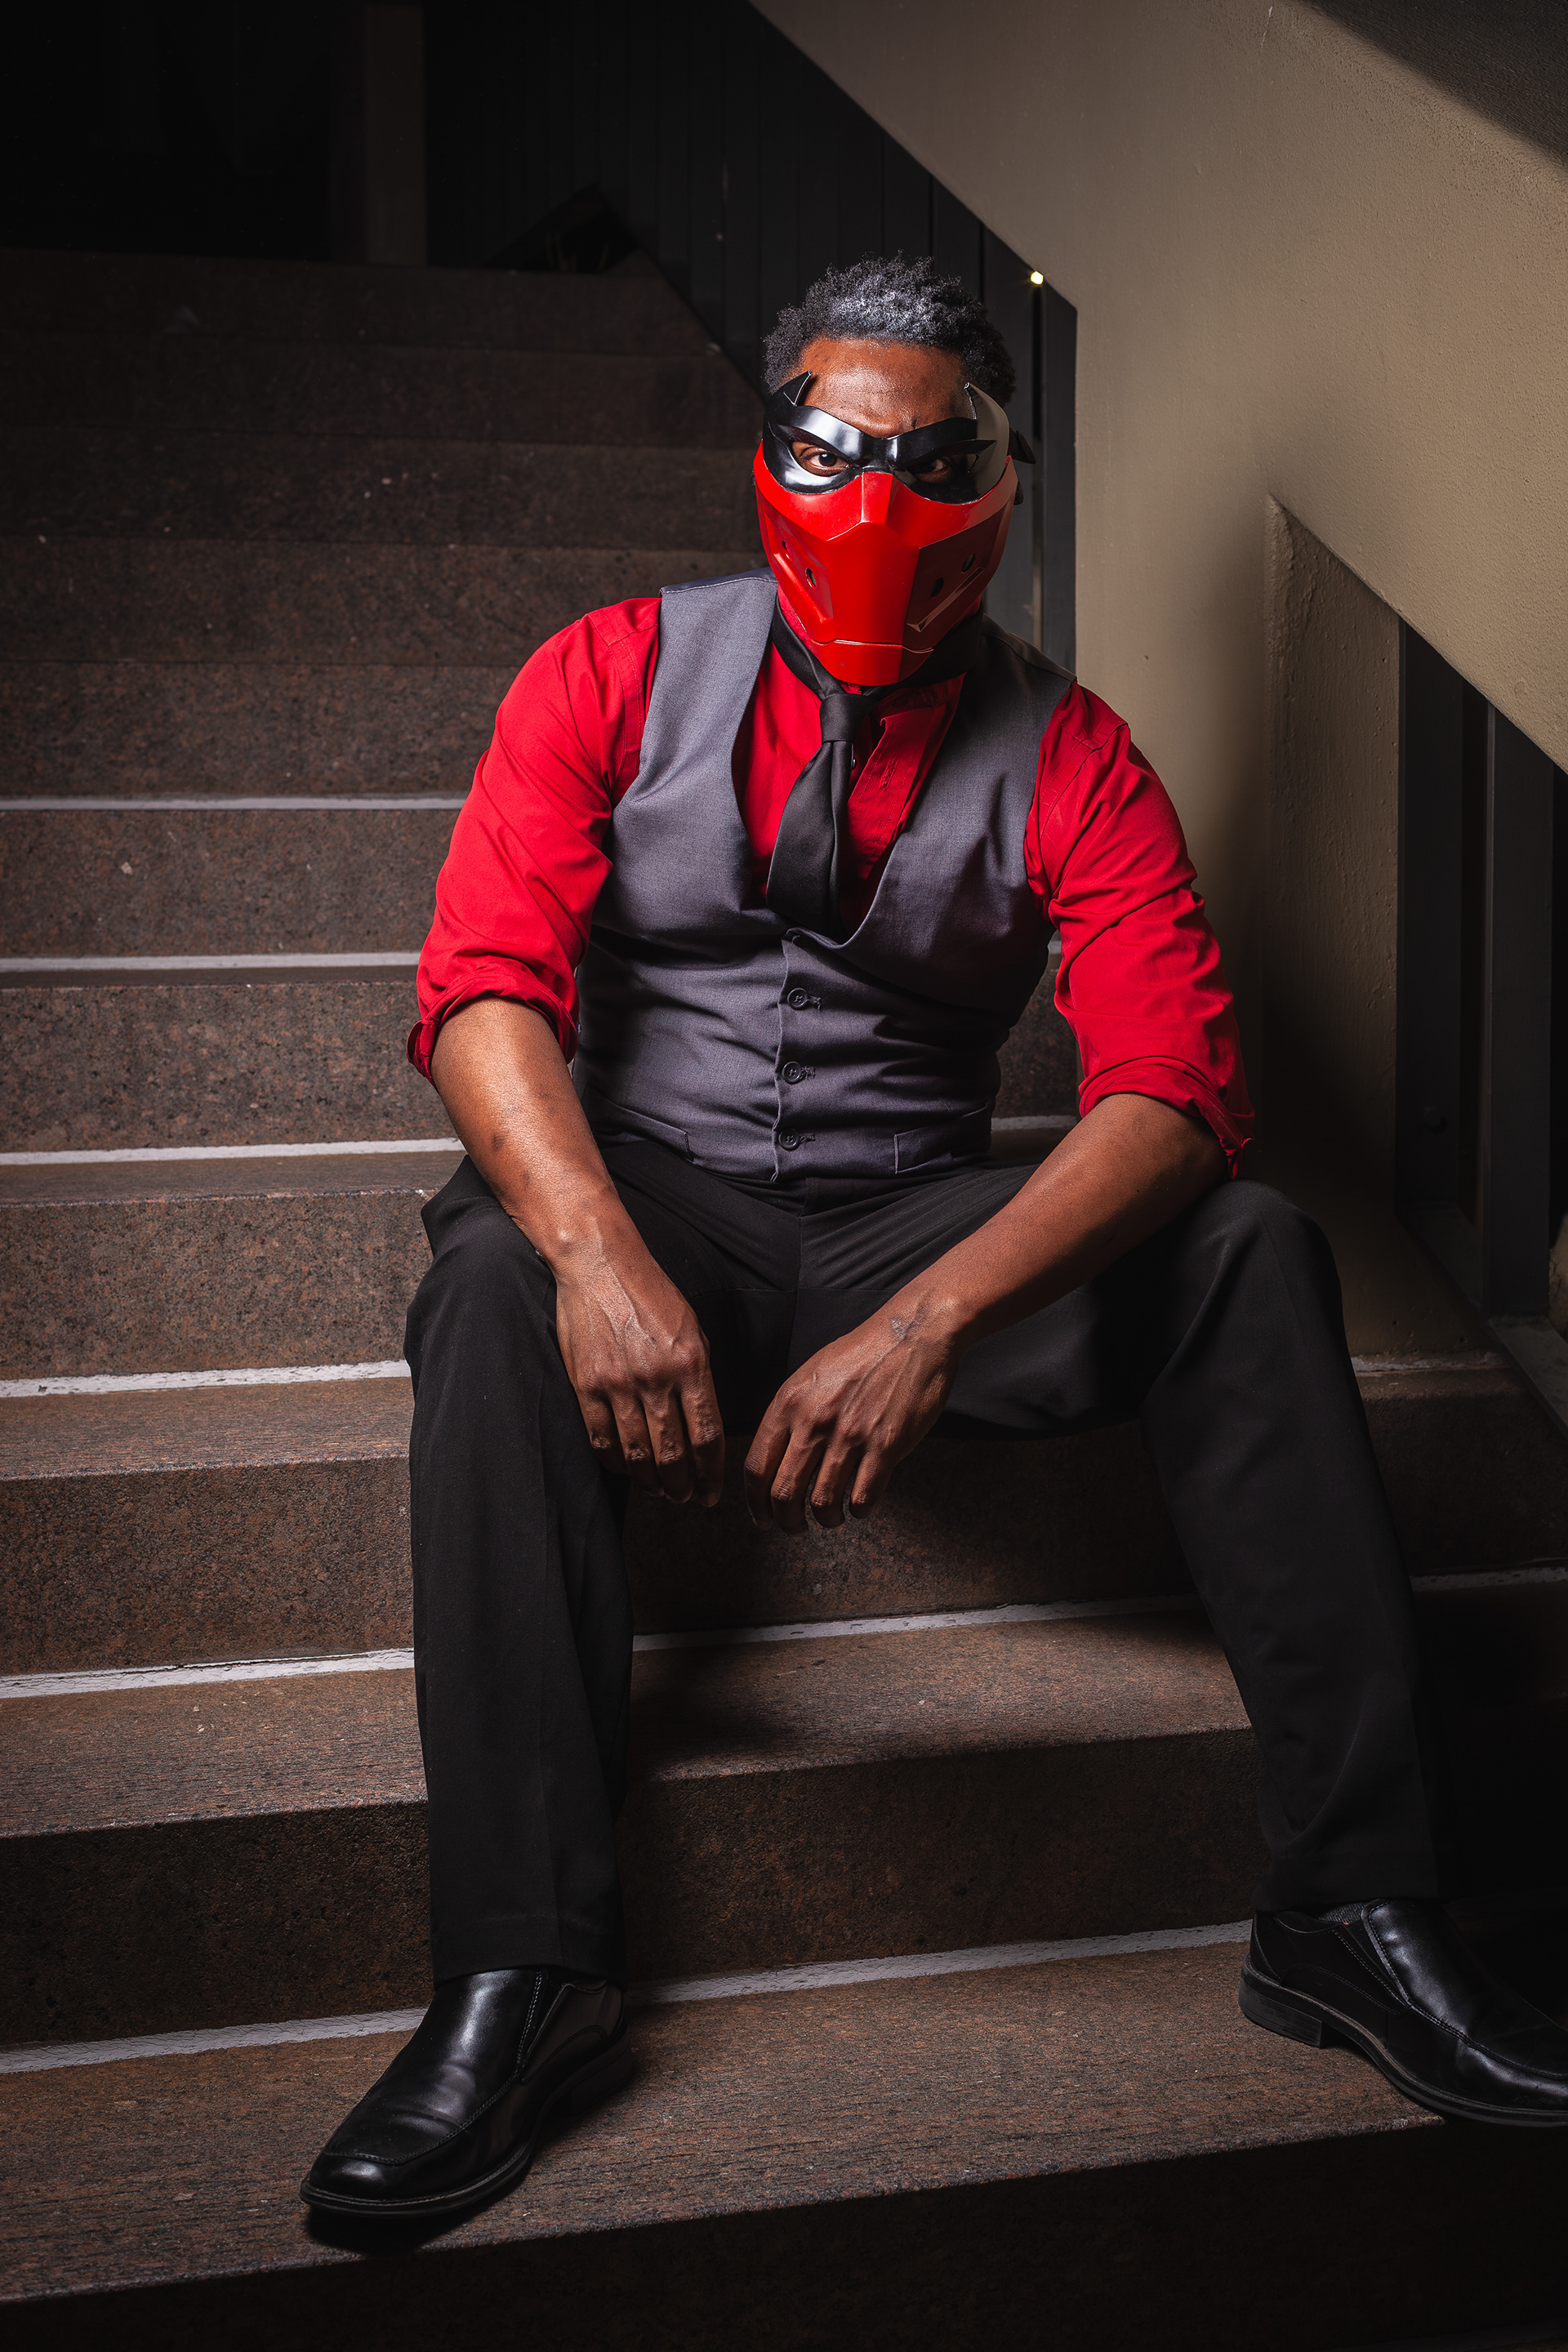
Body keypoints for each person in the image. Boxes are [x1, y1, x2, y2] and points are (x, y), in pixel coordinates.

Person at [302, 255, 1568, 2220]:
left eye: (928, 456)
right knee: (485, 1280)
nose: (874, 498)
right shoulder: (609, 670)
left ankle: (1354, 1911)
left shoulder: (1077, 752)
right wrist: (600, 1258)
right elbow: (482, 988)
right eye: (832, 446)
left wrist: (932, 1319)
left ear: (997, 481)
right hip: (656, 1192)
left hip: (909, 1217)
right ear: (773, 448)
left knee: (1250, 1252)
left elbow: (1175, 1091)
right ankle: (520, 1972)